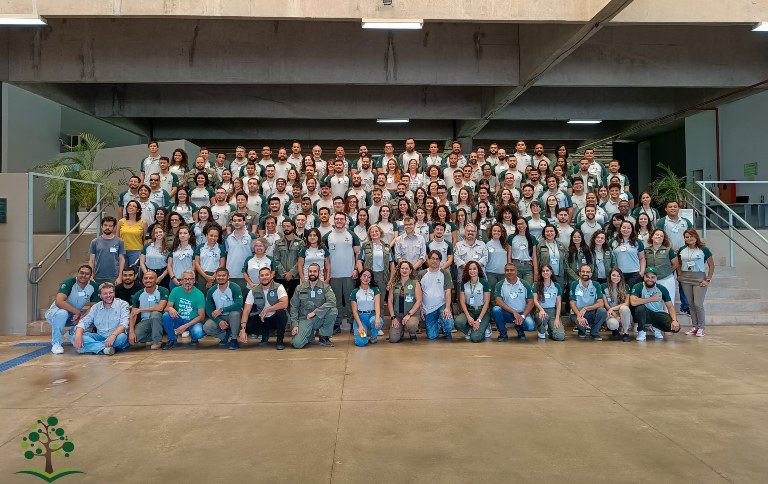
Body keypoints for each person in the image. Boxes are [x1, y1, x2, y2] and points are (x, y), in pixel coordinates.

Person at [45, 265, 100, 354]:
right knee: (62, 313)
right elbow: (59, 302)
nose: (83, 275)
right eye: (81, 273)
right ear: (77, 273)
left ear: (90, 276)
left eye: (87, 274)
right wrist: (77, 312)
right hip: (55, 313)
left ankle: (72, 333)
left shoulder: (93, 286)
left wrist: (82, 317)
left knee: (94, 318)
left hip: (74, 315)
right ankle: (56, 344)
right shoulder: (69, 282)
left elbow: (94, 307)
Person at [65, 282, 130, 355]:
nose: (108, 295)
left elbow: (124, 324)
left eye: (110, 293)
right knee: (76, 336)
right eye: (105, 294)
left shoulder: (123, 304)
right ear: (100, 295)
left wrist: (113, 335)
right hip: (100, 336)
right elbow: (84, 321)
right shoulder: (95, 307)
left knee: (122, 337)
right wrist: (78, 335)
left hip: (117, 336)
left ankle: (92, 347)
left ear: (114, 293)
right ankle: (104, 349)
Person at [323, 212, 361, 333]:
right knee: (336, 301)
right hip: (334, 274)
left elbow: (357, 254)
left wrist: (356, 269)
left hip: (349, 274)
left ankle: (352, 322)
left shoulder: (352, 235)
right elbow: (325, 258)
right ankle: (337, 324)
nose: (339, 221)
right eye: (337, 219)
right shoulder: (327, 236)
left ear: (346, 221)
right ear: (333, 221)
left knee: (351, 301)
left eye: (341, 219)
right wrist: (327, 274)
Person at [289, 263, 338, 348]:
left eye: (314, 271)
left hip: (320, 317)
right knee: (297, 344)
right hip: (305, 319)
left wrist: (315, 312)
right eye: (310, 271)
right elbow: (294, 307)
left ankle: (324, 337)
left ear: (319, 273)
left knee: (333, 311)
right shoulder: (299, 288)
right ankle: (309, 334)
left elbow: (332, 302)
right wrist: (294, 324)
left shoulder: (325, 287)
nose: (312, 273)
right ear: (307, 273)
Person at [238, 267, 289, 349]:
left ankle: (280, 340)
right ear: (259, 278)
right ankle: (264, 334)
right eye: (262, 275)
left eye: (267, 275)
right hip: (261, 318)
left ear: (271, 276)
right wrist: (243, 329)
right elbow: (246, 310)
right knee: (247, 323)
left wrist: (268, 309)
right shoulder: (253, 291)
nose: (264, 277)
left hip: (274, 318)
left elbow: (284, 304)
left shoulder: (279, 287)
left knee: (281, 313)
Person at [677, 229, 715, 337]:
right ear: (684, 239)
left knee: (698, 304)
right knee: (690, 304)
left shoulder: (704, 249)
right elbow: (679, 263)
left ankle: (701, 327)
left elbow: (711, 265)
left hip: (699, 278)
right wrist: (679, 275)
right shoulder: (682, 249)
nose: (689, 239)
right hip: (685, 278)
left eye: (691, 236)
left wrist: (707, 279)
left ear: (696, 237)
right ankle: (694, 326)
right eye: (687, 237)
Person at [630, 267, 680, 341]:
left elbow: (670, 307)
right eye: (647, 277)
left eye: (652, 277)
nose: (650, 279)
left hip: (658, 313)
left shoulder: (662, 289)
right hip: (644, 314)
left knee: (675, 328)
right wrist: (651, 299)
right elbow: (633, 302)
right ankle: (641, 331)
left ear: (656, 278)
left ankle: (656, 327)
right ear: (644, 277)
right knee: (640, 308)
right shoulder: (638, 286)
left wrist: (674, 320)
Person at [198, 267, 244, 348]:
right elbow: (209, 310)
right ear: (216, 277)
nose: (221, 278)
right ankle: (225, 335)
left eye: (223, 275)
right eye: (219, 276)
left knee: (235, 314)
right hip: (220, 316)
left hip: (233, 316)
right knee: (207, 327)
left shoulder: (234, 287)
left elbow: (239, 304)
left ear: (228, 277)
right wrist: (218, 321)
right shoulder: (211, 291)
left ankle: (234, 339)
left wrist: (222, 310)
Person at [161, 270, 206, 349]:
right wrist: (170, 308)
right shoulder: (175, 291)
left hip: (193, 321)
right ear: (181, 281)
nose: (187, 281)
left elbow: (201, 316)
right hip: (179, 319)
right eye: (185, 279)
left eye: (190, 279)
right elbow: (166, 308)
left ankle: (194, 337)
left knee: (198, 333)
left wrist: (185, 326)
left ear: (194, 281)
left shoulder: (199, 294)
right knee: (166, 315)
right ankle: (172, 339)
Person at [492, 263, 535, 341]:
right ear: (504, 272)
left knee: (530, 326)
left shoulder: (524, 284)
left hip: (522, 313)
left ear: (516, 271)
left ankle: (520, 329)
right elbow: (498, 301)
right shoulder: (500, 284)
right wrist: (514, 312)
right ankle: (503, 333)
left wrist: (522, 316)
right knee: (496, 310)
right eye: (507, 270)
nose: (509, 272)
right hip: (508, 313)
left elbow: (531, 302)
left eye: (512, 270)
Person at [418, 250, 454, 340]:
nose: (435, 261)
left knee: (449, 322)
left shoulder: (445, 273)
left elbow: (448, 292)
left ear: (440, 261)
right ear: (428, 259)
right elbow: (418, 293)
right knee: (432, 336)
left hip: (441, 306)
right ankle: (438, 323)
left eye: (437, 259)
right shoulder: (421, 274)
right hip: (428, 309)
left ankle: (447, 331)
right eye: (432, 258)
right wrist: (420, 307)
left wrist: (447, 308)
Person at [128, 270, 168, 350]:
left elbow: (160, 308)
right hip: (145, 321)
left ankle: (157, 341)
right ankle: (152, 337)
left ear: (156, 280)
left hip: (160, 320)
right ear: (143, 280)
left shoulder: (163, 290)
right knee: (136, 336)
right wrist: (131, 332)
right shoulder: (138, 295)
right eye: (146, 278)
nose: (148, 280)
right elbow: (133, 314)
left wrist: (140, 310)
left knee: (155, 314)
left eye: (151, 278)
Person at [454, 261, 491, 342]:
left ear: (478, 270)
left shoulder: (484, 283)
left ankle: (485, 327)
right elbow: (462, 301)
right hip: (470, 310)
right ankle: (470, 330)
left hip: (482, 311)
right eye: (470, 269)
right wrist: (468, 317)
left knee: (475, 338)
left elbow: (486, 302)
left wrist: (479, 320)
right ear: (467, 270)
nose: (472, 271)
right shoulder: (464, 283)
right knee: (458, 322)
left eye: (474, 269)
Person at [569, 264, 607, 340]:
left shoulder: (596, 285)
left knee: (602, 311)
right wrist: (579, 315)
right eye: (583, 271)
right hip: (577, 313)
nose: (585, 274)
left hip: (591, 312)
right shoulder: (574, 284)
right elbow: (572, 303)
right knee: (581, 327)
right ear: (579, 273)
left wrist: (586, 308)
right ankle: (581, 330)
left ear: (591, 274)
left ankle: (594, 332)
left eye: (588, 272)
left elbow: (600, 303)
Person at [388, 261, 422, 343]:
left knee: (412, 325)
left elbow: (419, 301)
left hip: (411, 315)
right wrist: (393, 317)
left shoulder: (415, 283)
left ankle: (412, 333)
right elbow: (390, 300)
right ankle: (401, 331)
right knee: (393, 339)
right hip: (398, 315)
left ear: (410, 271)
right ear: (399, 270)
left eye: (407, 268)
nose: (404, 270)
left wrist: (409, 315)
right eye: (402, 268)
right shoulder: (394, 283)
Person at [644, 228, 679, 305]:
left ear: (663, 239)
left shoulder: (668, 250)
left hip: (666, 279)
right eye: (657, 235)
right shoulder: (646, 250)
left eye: (661, 236)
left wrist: (667, 272)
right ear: (652, 237)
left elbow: (676, 263)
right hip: (651, 280)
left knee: (668, 303)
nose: (659, 237)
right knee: (653, 303)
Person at [357, 224, 395, 296]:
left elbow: (392, 264)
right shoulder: (365, 246)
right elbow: (359, 261)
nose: (374, 233)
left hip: (383, 276)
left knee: (381, 299)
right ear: (369, 234)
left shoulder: (387, 246)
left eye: (376, 231)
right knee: (368, 298)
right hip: (369, 276)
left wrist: (391, 280)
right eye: (372, 232)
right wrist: (362, 276)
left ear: (380, 232)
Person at [349, 269, 383, 346]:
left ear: (371, 279)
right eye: (364, 276)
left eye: (369, 277)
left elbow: (377, 306)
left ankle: (373, 337)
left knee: (377, 321)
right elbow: (354, 311)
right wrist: (360, 326)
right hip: (361, 318)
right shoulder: (355, 292)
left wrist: (377, 318)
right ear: (360, 277)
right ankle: (364, 334)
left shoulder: (375, 290)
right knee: (361, 343)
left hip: (372, 315)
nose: (366, 278)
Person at [88, 216, 126, 286]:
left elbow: (122, 260)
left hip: (114, 277)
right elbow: (91, 260)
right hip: (98, 276)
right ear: (101, 226)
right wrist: (91, 276)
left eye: (110, 226)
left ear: (113, 227)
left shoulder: (119, 241)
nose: (107, 227)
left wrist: (120, 277)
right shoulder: (95, 242)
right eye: (105, 225)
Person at [533, 264, 565, 341]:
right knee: (544, 316)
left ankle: (549, 329)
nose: (545, 272)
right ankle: (542, 331)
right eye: (543, 271)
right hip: (541, 310)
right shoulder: (536, 285)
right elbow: (535, 300)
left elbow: (558, 303)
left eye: (547, 270)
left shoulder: (556, 286)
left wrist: (557, 318)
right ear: (541, 273)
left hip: (552, 311)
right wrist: (541, 310)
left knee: (560, 337)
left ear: (551, 272)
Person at [602, 268, 633, 342]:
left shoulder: (626, 286)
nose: (616, 278)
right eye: (613, 275)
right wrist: (614, 315)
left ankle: (625, 333)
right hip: (611, 314)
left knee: (624, 308)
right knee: (613, 324)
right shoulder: (603, 286)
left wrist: (613, 308)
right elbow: (606, 304)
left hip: (623, 313)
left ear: (621, 277)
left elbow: (626, 303)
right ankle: (615, 330)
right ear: (609, 276)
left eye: (618, 276)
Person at [612, 221, 646, 288]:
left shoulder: (638, 242)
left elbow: (642, 258)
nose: (626, 230)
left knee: (632, 296)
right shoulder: (613, 242)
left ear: (632, 229)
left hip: (635, 274)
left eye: (628, 228)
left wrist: (641, 272)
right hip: (618, 274)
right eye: (624, 227)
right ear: (620, 229)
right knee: (621, 295)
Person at [117, 200, 147, 270]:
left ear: (138, 210)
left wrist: (143, 252)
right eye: (129, 206)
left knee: (134, 272)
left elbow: (145, 239)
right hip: (122, 251)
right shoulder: (121, 221)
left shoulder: (143, 223)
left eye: (134, 206)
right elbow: (117, 238)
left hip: (136, 251)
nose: (131, 207)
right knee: (123, 272)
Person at [508, 218, 537, 285]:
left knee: (528, 287)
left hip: (528, 267)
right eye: (518, 224)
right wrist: (510, 268)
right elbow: (509, 255)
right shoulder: (511, 237)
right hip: (515, 266)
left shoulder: (532, 238)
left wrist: (536, 272)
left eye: (522, 223)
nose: (521, 226)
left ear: (526, 225)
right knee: (516, 288)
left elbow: (534, 256)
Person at [166, 226, 196, 291]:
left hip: (188, 281)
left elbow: (194, 266)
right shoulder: (174, 248)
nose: (182, 235)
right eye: (180, 233)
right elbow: (169, 265)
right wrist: (173, 278)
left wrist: (187, 279)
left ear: (189, 235)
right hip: (174, 280)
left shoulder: (193, 249)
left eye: (185, 233)